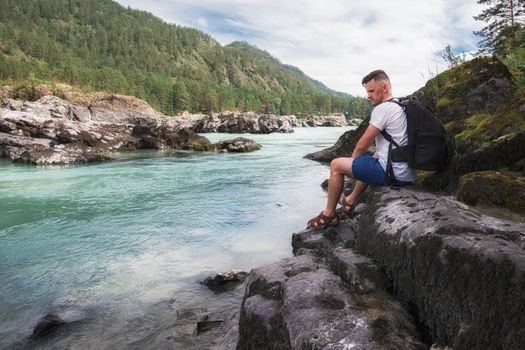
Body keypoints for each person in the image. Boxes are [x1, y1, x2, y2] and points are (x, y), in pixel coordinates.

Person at [307, 69, 415, 228]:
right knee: (371, 159)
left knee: (336, 165)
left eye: (371, 91)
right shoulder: (399, 106)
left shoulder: (383, 109)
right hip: (406, 173)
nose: (368, 96)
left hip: (392, 173)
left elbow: (362, 144)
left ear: (384, 88)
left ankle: (329, 215)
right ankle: (350, 201)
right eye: (367, 92)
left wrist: (350, 168)